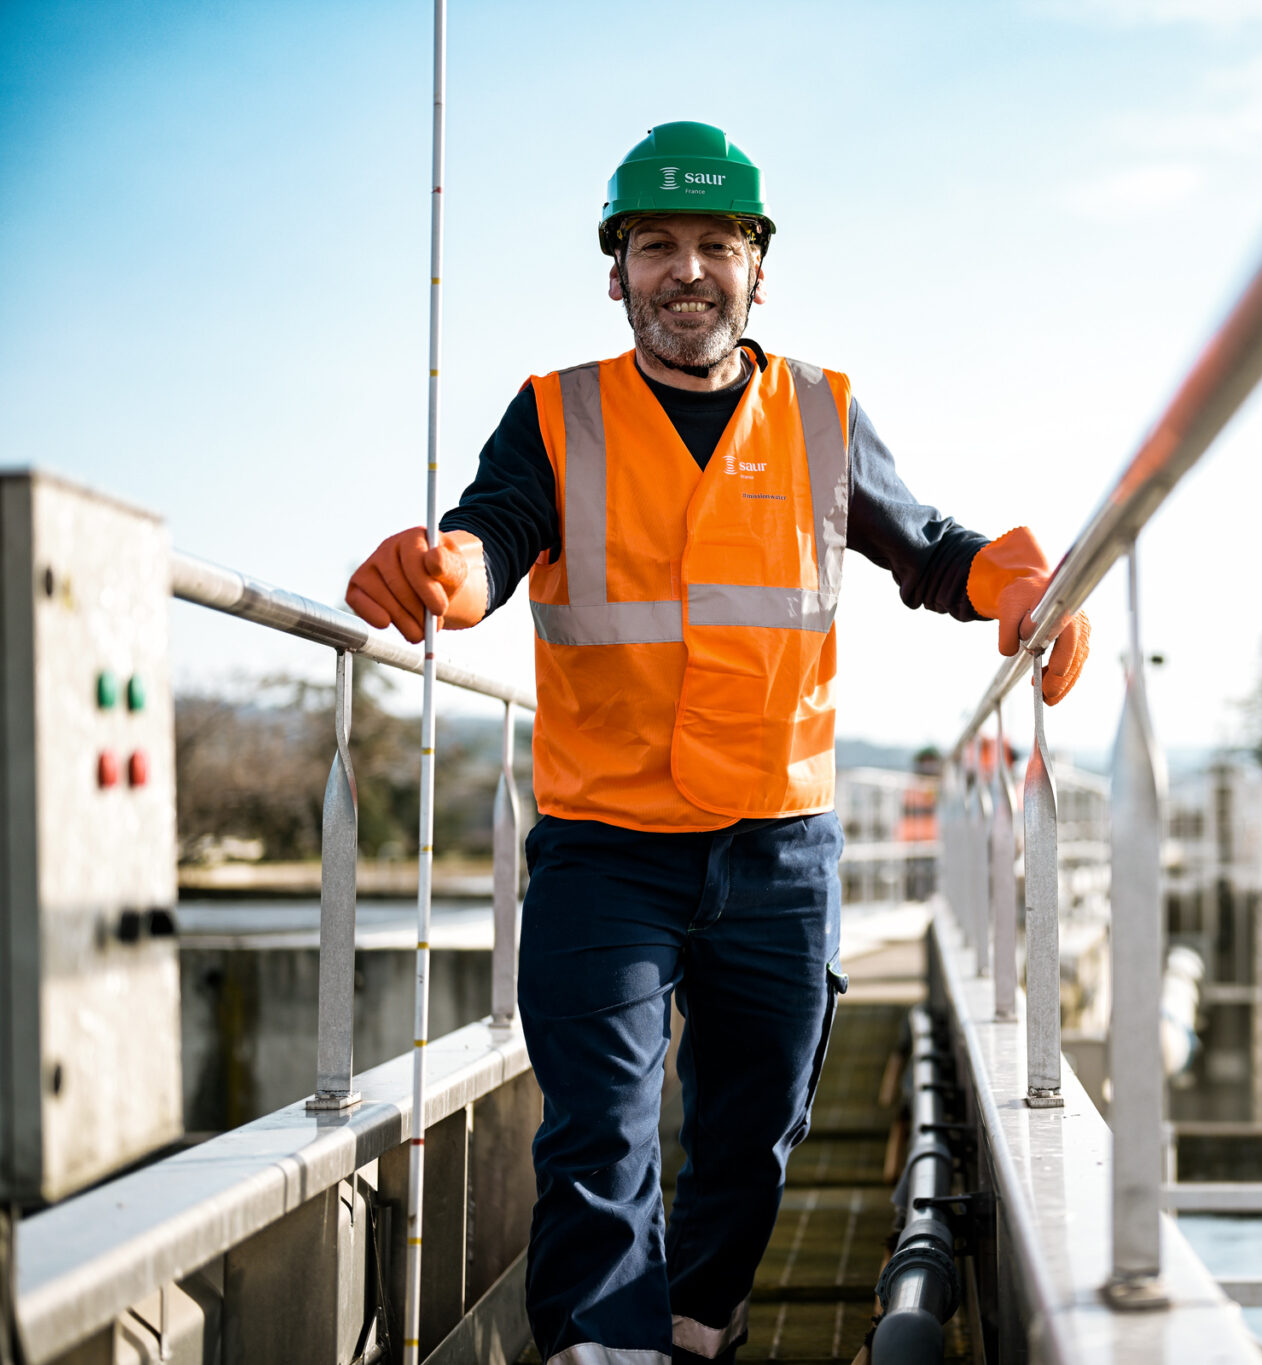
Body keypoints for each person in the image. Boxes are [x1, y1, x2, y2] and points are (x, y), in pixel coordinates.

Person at [343, 121, 1089, 1365]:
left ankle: (695, 1329)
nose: (685, 271)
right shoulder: (555, 414)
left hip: (776, 849)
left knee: (752, 1133)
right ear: (617, 271)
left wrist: (1016, 586)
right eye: (655, 247)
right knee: (600, 1133)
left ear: (756, 268)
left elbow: (925, 549)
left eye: (713, 245)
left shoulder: (821, 413)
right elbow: (494, 535)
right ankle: (605, 1350)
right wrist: (441, 573)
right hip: (606, 845)